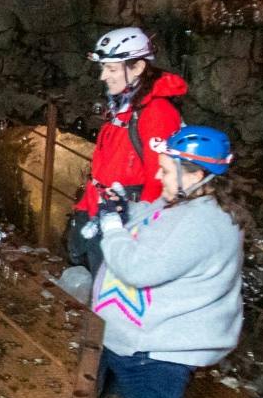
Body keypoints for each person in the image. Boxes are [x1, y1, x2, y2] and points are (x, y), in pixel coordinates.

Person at [91, 125, 242, 398]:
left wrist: (110, 227)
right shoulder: (189, 207)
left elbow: (138, 268)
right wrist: (126, 208)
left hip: (162, 346)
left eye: (166, 170)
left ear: (195, 174)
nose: (158, 177)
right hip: (150, 336)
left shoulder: (201, 224)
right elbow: (152, 221)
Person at [67, 27, 187, 272]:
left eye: (111, 69)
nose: (103, 76)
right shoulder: (127, 105)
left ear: (138, 67)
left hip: (125, 220)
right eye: (104, 68)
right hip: (100, 208)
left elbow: (159, 180)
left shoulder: (156, 113)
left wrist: (141, 233)